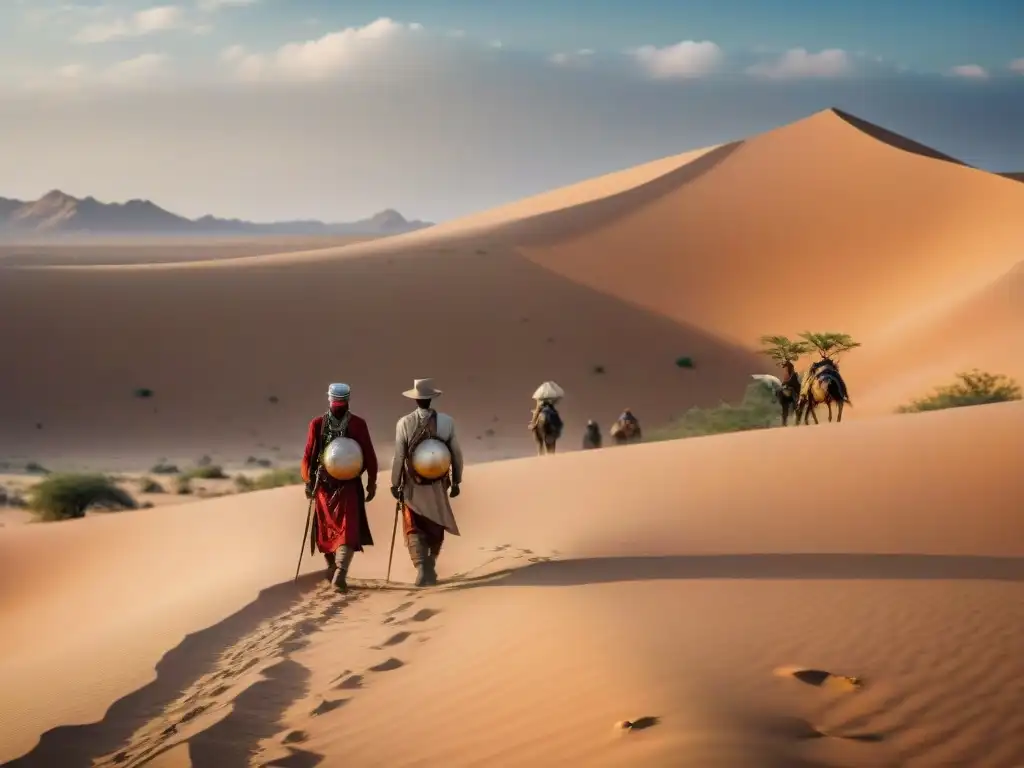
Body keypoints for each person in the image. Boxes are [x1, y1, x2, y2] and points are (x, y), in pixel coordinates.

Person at [301, 382, 378, 593]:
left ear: (329, 398)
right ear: (348, 399)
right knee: (342, 530)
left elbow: (307, 456)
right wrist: (371, 483)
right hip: (330, 486)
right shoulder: (320, 425)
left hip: (339, 486)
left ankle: (338, 572)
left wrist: (308, 482)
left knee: (339, 530)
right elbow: (370, 456)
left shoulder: (326, 424)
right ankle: (338, 571)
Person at [390, 378, 464, 587]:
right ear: (431, 398)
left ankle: (423, 567)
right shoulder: (447, 422)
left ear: (415, 400)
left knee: (413, 526)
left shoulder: (404, 423)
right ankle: (429, 564)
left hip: (413, 486)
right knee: (436, 524)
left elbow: (399, 456)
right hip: (437, 485)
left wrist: (395, 483)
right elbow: (456, 454)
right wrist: (457, 480)